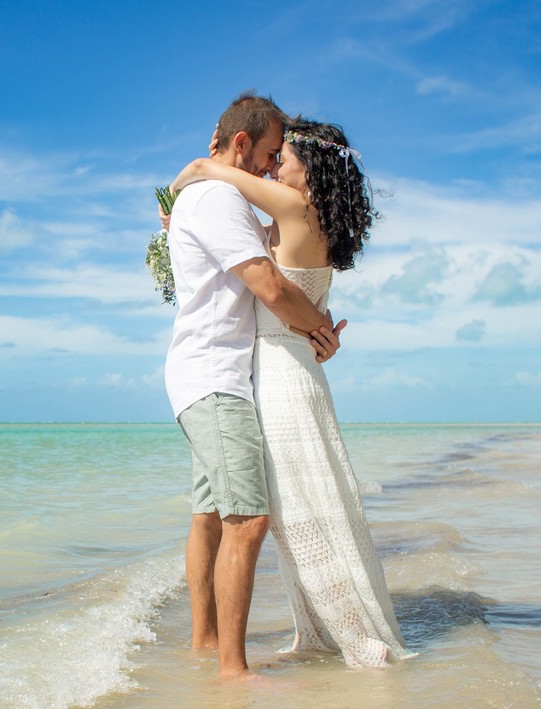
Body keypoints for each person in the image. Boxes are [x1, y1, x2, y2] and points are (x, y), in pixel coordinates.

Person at [170, 117, 417, 667]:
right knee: (306, 502)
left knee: (294, 510)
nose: (273, 163)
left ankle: (343, 633)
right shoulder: (298, 217)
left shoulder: (292, 210)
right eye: (272, 154)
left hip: (282, 378)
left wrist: (199, 168)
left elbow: (219, 183)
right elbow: (246, 250)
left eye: (283, 157)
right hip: (289, 371)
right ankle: (332, 626)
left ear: (309, 171)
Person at [163, 92, 344, 679]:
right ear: (240, 143)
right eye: (268, 155)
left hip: (209, 372)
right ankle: (232, 673)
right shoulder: (217, 196)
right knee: (248, 517)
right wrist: (320, 328)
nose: (270, 168)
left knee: (212, 513)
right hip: (216, 377)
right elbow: (268, 283)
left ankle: (204, 643)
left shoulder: (210, 195)